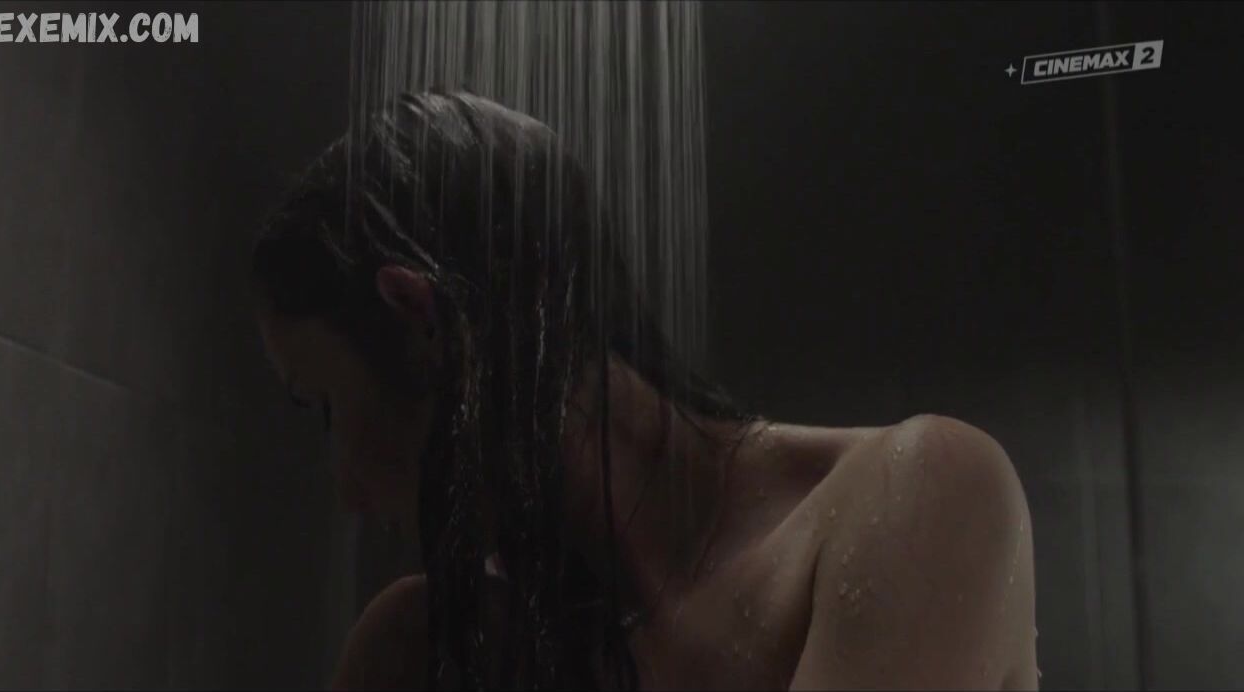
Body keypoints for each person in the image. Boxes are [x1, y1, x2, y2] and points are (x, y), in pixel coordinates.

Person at [251, 91, 1039, 690]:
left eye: (326, 409)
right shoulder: (440, 648)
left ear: (427, 327)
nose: (348, 491)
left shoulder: (911, 499)